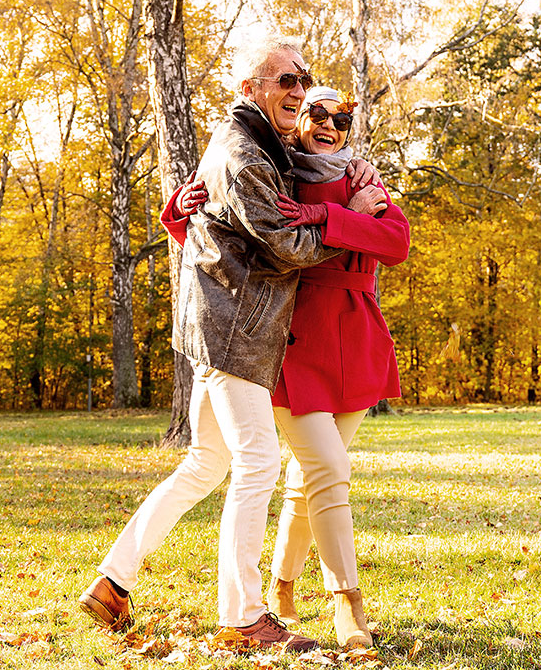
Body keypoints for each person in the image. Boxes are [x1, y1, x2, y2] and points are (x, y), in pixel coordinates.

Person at [78, 39, 379, 652]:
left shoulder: (264, 145)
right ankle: (243, 617)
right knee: (258, 465)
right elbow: (284, 245)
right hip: (236, 329)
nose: (299, 90)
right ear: (250, 89)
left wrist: (352, 182)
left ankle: (113, 581)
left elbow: (220, 218)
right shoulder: (244, 153)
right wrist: (351, 215)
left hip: (218, 325)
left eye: (305, 78)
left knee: (205, 464)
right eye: (284, 80)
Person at [166, 85, 410, 649]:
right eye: (315, 114)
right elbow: (229, 236)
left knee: (309, 478)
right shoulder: (276, 174)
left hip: (356, 339)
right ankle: (347, 601)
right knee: (326, 467)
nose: (328, 125)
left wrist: (328, 213)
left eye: (340, 118)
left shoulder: (361, 178)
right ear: (296, 120)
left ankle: (280, 586)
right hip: (291, 340)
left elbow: (395, 242)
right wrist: (176, 211)